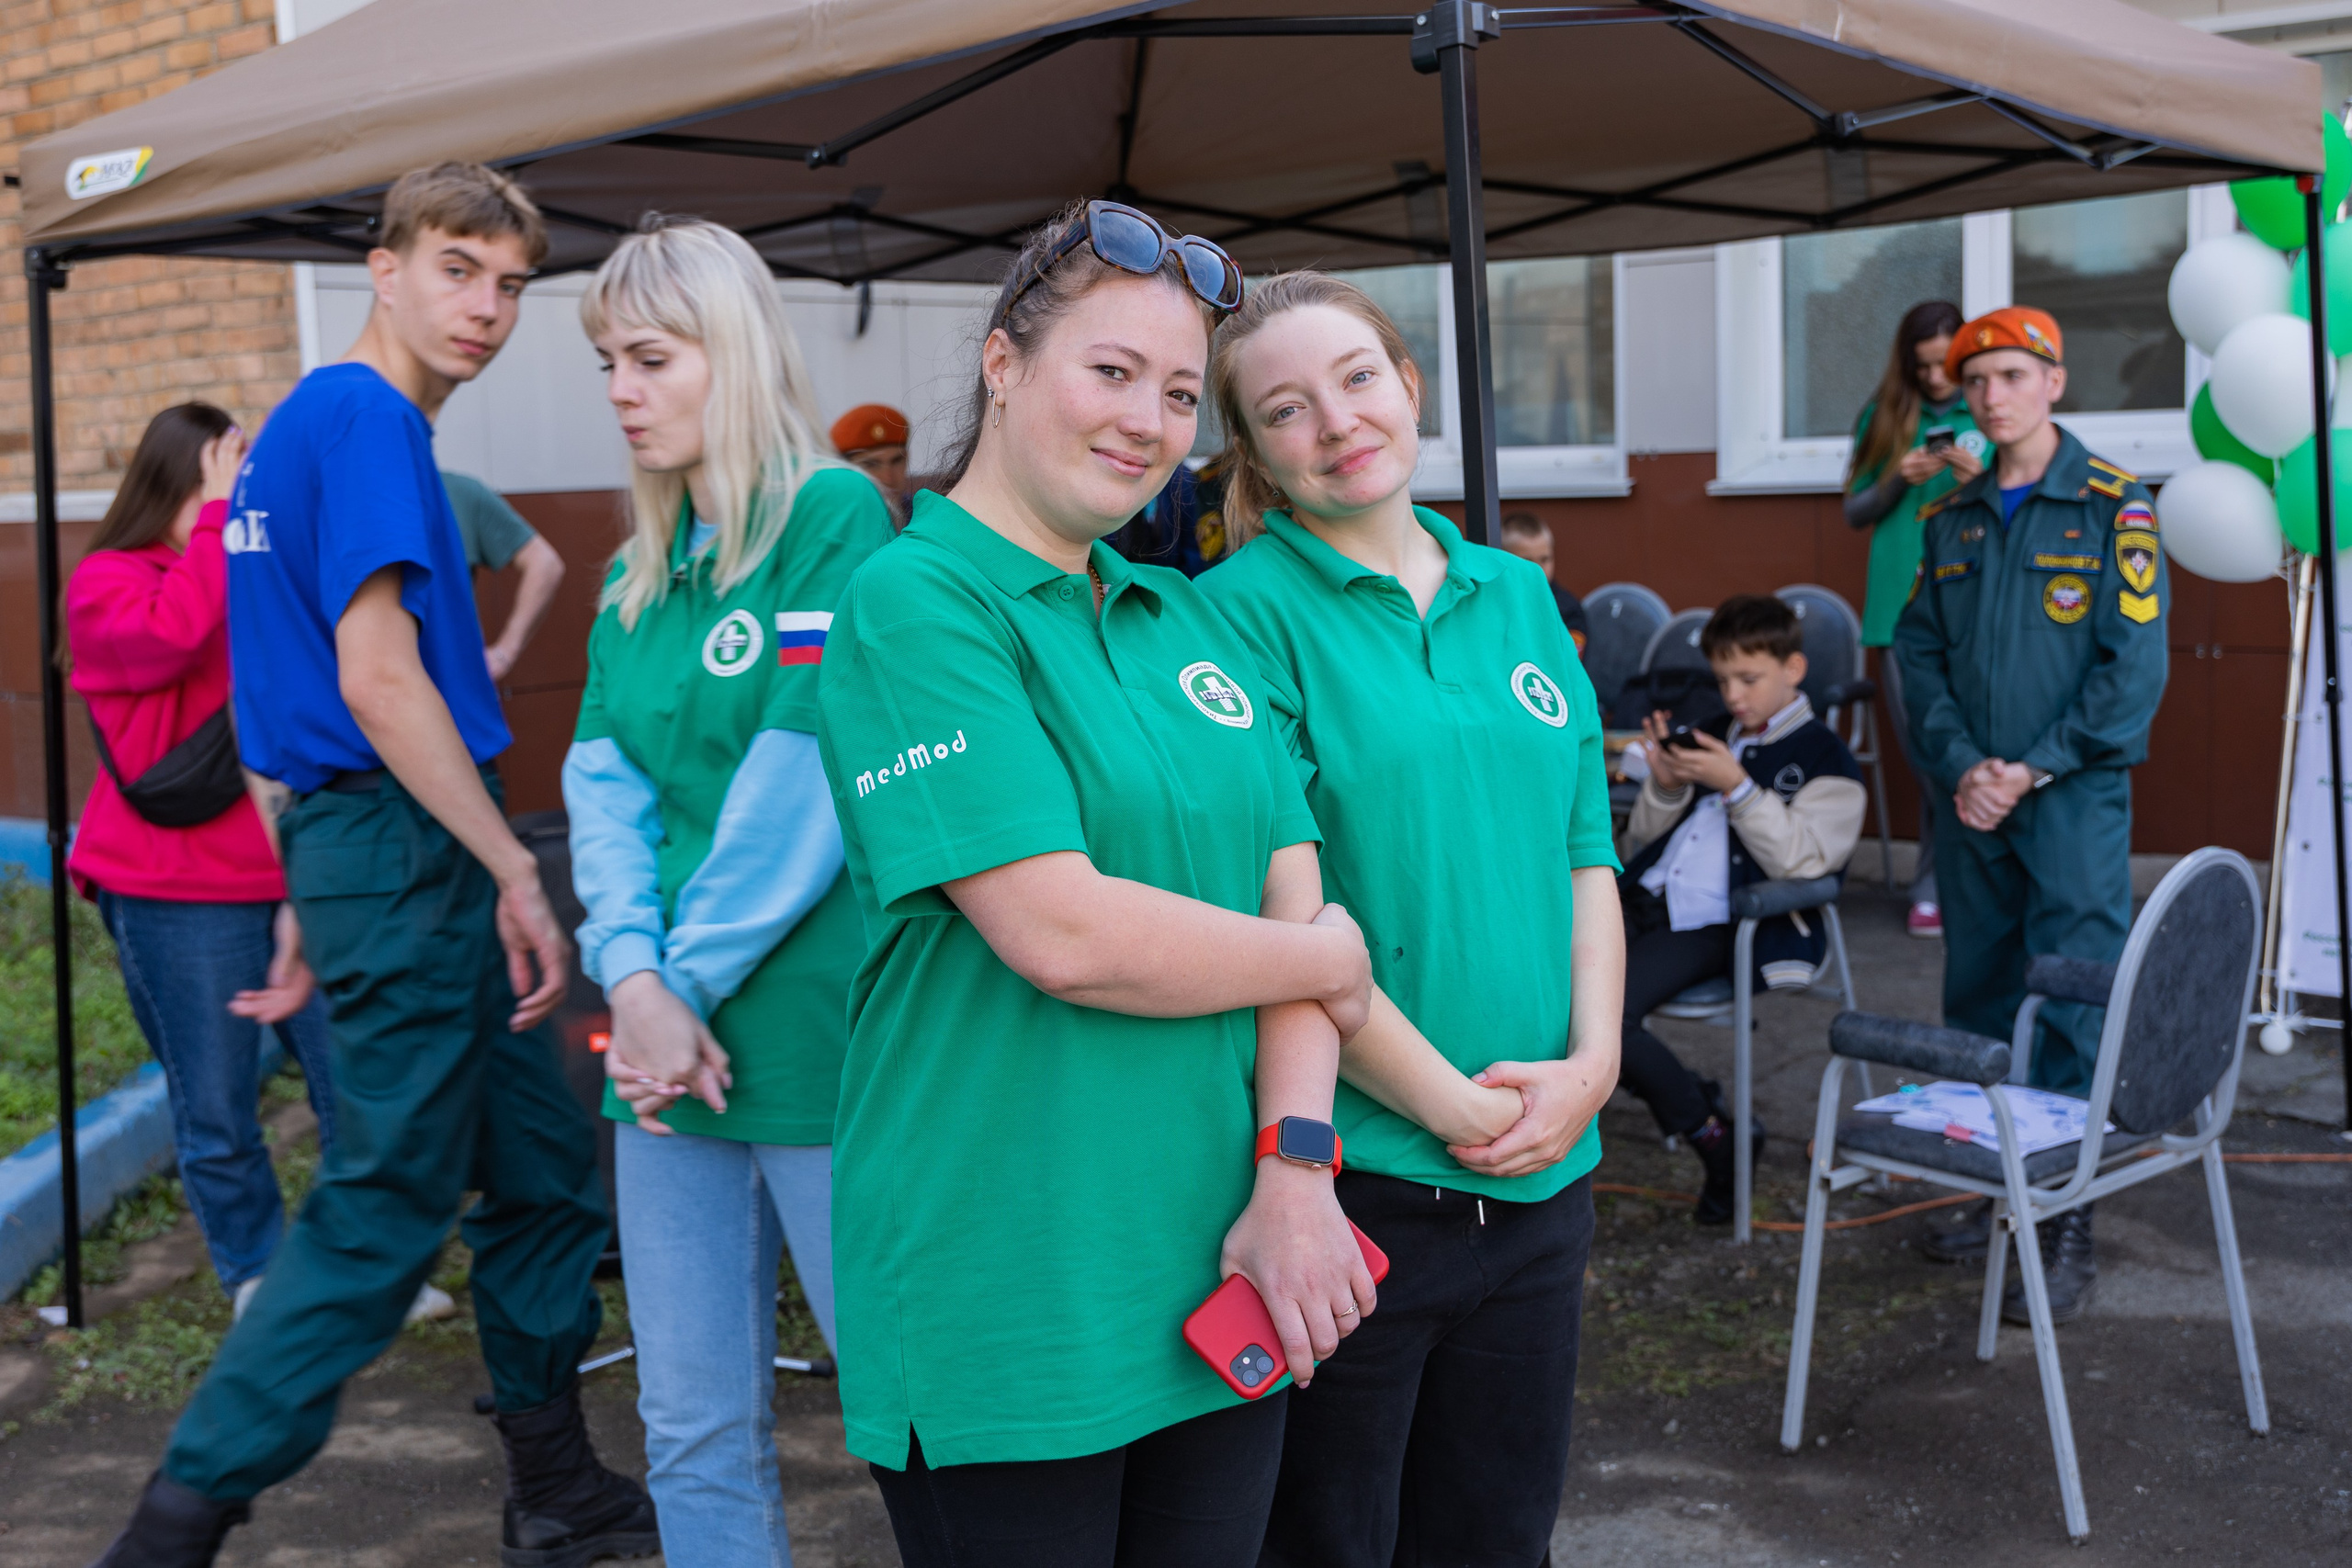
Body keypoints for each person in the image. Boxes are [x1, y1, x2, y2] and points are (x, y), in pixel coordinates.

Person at [813, 200, 1501, 1568]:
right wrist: (1322, 960)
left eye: (1182, 393)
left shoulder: (1182, 612)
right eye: (1111, 371)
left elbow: (1294, 897)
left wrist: (1298, 1170)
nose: (1149, 420)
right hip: (1013, 1276)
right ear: (1005, 364)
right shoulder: (916, 600)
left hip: (1224, 1258)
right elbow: (1061, 931)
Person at [90, 163, 650, 1568]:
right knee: (387, 1191)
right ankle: (175, 1521)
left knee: (540, 1174)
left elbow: (271, 698)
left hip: (360, 846)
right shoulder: (371, 420)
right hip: (406, 843)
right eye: (459, 268)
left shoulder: (288, 432)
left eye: (514, 284)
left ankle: (555, 1481)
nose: (489, 307)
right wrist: (515, 873)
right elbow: (377, 676)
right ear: (383, 267)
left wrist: (295, 884)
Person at [1196, 270, 1626, 1568]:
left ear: (1410, 385)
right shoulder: (1233, 618)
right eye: (1286, 408)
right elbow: (1292, 917)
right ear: (1256, 452)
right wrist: (1452, 1105)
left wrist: (1595, 1067)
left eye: (1357, 379)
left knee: (1499, 1539)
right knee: (1331, 1542)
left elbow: (1583, 853)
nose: (1335, 422)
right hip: (1366, 1188)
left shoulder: (1513, 590)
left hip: (1549, 1175)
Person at [562, 217, 895, 1567]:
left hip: (815, 1043)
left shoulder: (832, 516)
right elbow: (605, 791)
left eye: (650, 356)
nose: (621, 389)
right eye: (606, 363)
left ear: (734, 351)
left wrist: (664, 984)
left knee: (902, 1407)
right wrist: (633, 978)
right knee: (689, 1419)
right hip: (665, 1059)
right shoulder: (640, 576)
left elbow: (800, 787)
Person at [1891, 305, 2167, 1324]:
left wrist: (2030, 769)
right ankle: (1989, 1191)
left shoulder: (2111, 509)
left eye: (2012, 375)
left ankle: (2066, 1213)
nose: (1992, 396)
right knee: (1979, 991)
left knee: (2071, 1003)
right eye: (1976, 381)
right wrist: (1966, 765)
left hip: (2071, 801)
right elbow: (1917, 653)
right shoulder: (1950, 516)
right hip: (1972, 804)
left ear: (2054, 382)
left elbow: (2130, 671)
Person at [64, 402, 340, 1318]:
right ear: (176, 483)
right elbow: (173, 635)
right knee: (218, 1103)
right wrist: (223, 519)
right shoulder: (108, 580)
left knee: (357, 1083)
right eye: (222, 479)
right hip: (175, 892)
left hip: (296, 874)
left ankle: (363, 1263)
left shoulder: (247, 566)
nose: (238, 499)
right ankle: (257, 1270)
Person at [1617, 595, 1865, 1223]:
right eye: (1723, 678)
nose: (1733, 694)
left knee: (1600, 1018)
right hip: (1649, 899)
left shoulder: (1825, 756)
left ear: (1794, 669)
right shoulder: (1717, 732)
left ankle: (1715, 1136)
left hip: (1720, 921)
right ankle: (1696, 1104)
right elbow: (1643, 840)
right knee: (1546, 987)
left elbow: (1805, 860)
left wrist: (1739, 786)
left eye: (1748, 679)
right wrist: (1668, 782)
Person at [1844, 300, 1976, 940]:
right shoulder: (1885, 414)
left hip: (1976, 607)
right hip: (1897, 613)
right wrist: (1900, 477)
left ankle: (1956, 882)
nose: (1935, 380)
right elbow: (1855, 511)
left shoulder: (1989, 408)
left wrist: (1975, 476)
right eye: (1922, 367)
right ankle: (1939, 881)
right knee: (1929, 756)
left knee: (1967, 747)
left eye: (1945, 365)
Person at [440, 470, 567, 682]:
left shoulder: (456, 492)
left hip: (458, 685)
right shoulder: (369, 502)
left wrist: (504, 653)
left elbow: (545, 564)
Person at [1499, 509, 1590, 653]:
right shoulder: (1496, 600)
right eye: (1527, 562)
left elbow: (1570, 659)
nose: (1538, 570)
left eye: (1545, 559)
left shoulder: (1567, 608)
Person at [830, 401, 910, 506]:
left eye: (896, 461)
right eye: (870, 465)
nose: (888, 479)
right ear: (844, 469)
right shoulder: (831, 519)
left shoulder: (925, 516)